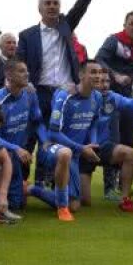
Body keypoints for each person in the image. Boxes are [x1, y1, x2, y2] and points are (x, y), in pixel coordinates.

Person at [17, 0, 105, 120]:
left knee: (64, 136)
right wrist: (24, 84)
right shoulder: (27, 35)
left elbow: (81, 5)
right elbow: (18, 62)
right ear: (40, 9)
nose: (52, 6)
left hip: (66, 91)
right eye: (47, 3)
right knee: (33, 135)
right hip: (38, 92)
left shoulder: (66, 26)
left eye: (55, 3)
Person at [30, 61, 105, 221]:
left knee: (82, 203)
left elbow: (94, 122)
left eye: (100, 72)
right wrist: (82, 148)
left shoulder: (97, 97)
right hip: (53, 148)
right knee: (73, 204)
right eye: (93, 72)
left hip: (76, 153)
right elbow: (53, 132)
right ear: (81, 75)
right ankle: (38, 192)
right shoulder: (65, 95)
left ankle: (41, 189)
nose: (98, 76)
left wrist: (93, 143)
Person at [90, 69, 133, 209]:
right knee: (82, 201)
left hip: (105, 148)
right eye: (101, 81)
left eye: (107, 81)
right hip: (84, 148)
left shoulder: (113, 98)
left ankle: (124, 199)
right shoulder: (83, 97)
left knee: (129, 153)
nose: (105, 85)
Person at [0, 59, 47, 212]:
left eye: (26, 70)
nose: (27, 74)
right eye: (21, 71)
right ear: (8, 75)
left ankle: (27, 189)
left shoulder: (30, 94)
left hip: (16, 155)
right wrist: (15, 148)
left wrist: (45, 141)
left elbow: (37, 121)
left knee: (17, 204)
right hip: (0, 154)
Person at [95, 10, 133, 160]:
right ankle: (110, 179)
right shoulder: (113, 40)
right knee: (112, 137)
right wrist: (115, 75)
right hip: (109, 95)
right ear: (125, 25)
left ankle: (122, 175)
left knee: (129, 135)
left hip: (128, 96)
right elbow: (99, 59)